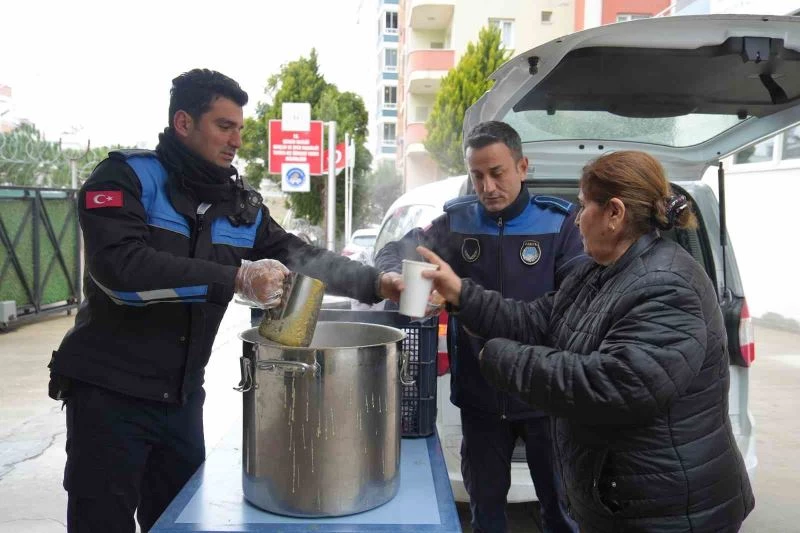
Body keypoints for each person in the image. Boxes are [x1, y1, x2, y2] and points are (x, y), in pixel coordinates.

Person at [48, 68, 402, 533]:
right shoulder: (126, 178)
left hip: (180, 402)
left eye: (240, 127)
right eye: (224, 126)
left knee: (179, 521)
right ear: (183, 123)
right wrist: (235, 278)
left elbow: (300, 255)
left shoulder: (241, 206)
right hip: (109, 398)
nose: (236, 139)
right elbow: (121, 272)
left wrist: (377, 284)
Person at [418, 150, 755, 532]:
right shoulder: (596, 272)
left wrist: (499, 357)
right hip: (622, 503)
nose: (577, 219)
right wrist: (460, 293)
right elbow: (534, 319)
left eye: (582, 206)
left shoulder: (668, 285)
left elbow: (615, 385)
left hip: (670, 514)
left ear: (614, 213)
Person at [375, 121, 585, 533]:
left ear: (522, 166)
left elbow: (574, 305)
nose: (487, 186)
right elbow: (395, 251)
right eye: (477, 175)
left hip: (548, 396)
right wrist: (397, 280)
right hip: (480, 397)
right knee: (486, 513)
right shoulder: (456, 222)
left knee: (562, 512)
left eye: (498, 172)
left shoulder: (559, 224)